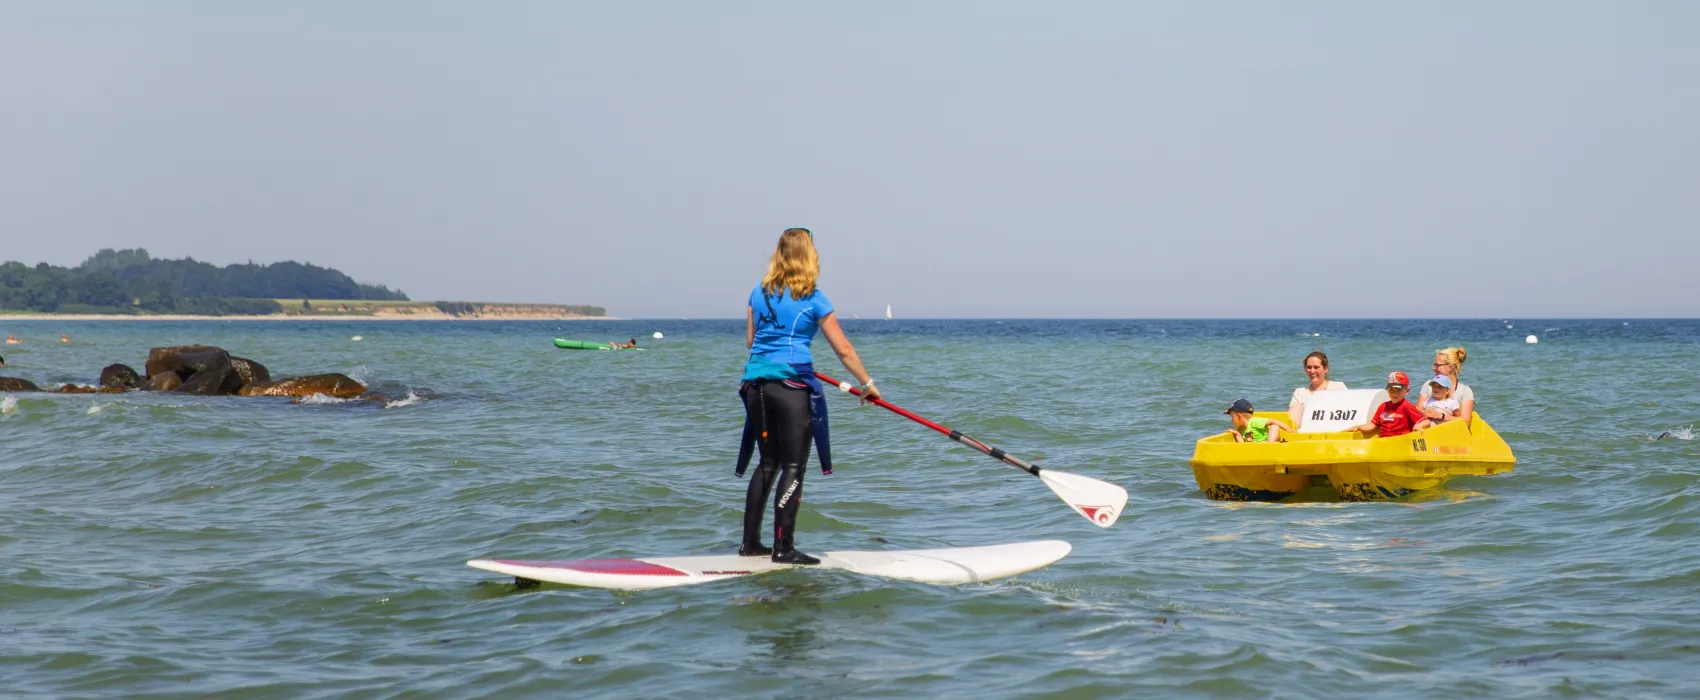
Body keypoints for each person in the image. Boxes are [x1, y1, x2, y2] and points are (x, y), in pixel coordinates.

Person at [736, 228, 878, 565]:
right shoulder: (814, 297)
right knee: (794, 466)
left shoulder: (759, 292)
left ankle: (750, 544)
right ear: (809, 256)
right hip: (792, 387)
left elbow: (751, 342)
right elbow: (842, 348)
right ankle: (783, 548)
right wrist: (867, 383)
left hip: (754, 385)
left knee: (768, 463)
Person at [1346, 372, 1432, 438]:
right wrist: (1359, 427)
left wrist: (1419, 426)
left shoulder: (1407, 406)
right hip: (1384, 440)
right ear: (1387, 390)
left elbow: (1426, 421)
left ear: (1407, 390)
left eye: (1398, 390)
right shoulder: (1383, 406)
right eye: (1391, 390)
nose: (1395, 393)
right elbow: (1373, 425)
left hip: (1401, 440)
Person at [1288, 351, 1348, 427]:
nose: (1312, 371)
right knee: (1296, 406)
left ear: (1326, 369)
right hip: (1304, 432)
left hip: (1331, 429)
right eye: (1309, 367)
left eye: (1316, 367)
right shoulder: (1299, 393)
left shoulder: (1338, 387)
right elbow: (1292, 418)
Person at [1418, 347, 1474, 425]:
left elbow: (1466, 422)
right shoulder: (1428, 385)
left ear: (1450, 367)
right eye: (1434, 365)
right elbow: (1418, 412)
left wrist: (1440, 416)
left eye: (1437, 365)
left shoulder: (1465, 391)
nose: (1433, 368)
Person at [1224, 399, 1293, 443]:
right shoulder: (1243, 429)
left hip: (1268, 445)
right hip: (1258, 451)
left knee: (1275, 427)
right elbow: (1243, 446)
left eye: (1232, 416)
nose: (1232, 419)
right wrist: (1237, 434)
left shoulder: (1254, 422)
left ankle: (1269, 446)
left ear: (1239, 416)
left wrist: (1290, 431)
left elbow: (1273, 421)